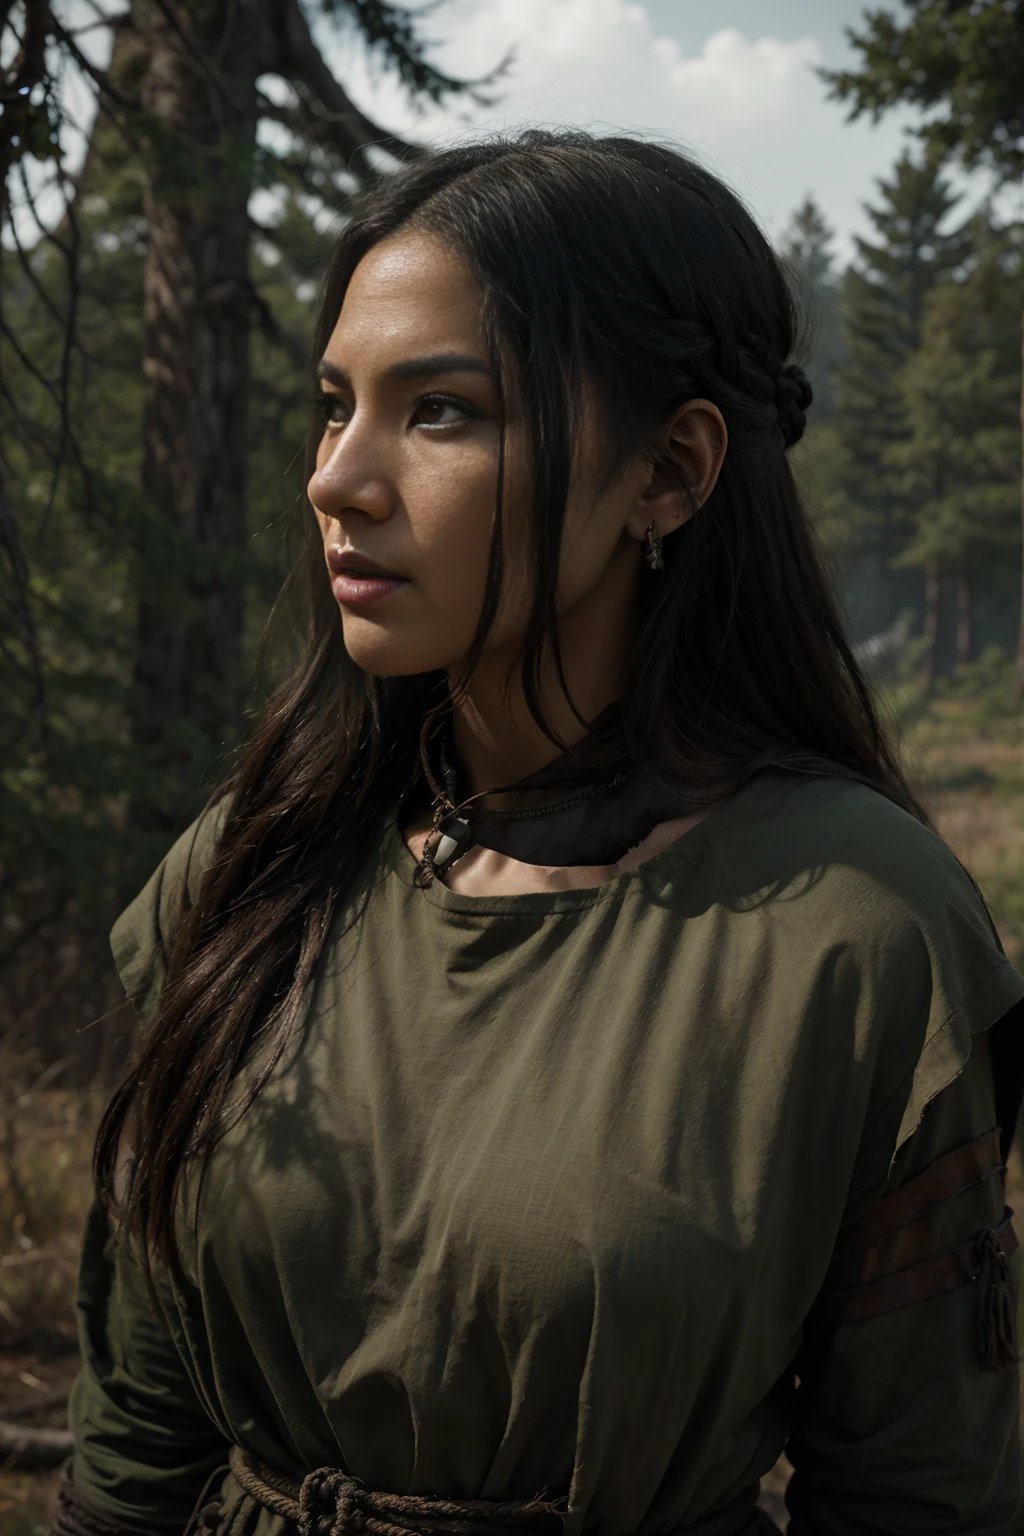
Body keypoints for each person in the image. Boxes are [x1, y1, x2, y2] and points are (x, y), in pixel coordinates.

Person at [57, 131, 1023, 1536]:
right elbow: (137, 1432)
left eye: (441, 412)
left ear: (671, 473)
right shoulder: (251, 867)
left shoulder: (862, 933)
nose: (340, 478)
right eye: (334, 407)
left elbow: (922, 1490)